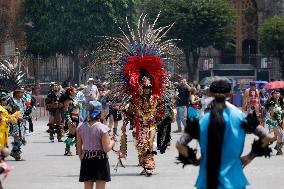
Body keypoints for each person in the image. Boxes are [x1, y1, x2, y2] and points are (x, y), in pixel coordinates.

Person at [176, 79, 274, 189]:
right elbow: (267, 137)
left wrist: (194, 160)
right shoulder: (241, 117)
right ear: (230, 95)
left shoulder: (201, 120)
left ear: (209, 94)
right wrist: (249, 157)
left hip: (207, 180)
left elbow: (180, 144)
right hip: (234, 180)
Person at [77, 101, 116, 189]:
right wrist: (113, 142)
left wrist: (82, 158)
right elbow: (106, 148)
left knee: (87, 186)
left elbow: (79, 148)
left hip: (86, 158)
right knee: (100, 186)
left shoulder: (80, 127)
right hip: (100, 159)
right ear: (100, 112)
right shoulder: (102, 128)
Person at [6, 87, 26, 160]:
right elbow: (6, 109)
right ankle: (16, 154)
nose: (22, 94)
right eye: (21, 92)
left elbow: (24, 109)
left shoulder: (22, 100)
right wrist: (14, 116)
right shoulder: (11, 100)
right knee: (17, 136)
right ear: (16, 93)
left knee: (21, 137)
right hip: (13, 121)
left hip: (21, 122)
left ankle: (14, 152)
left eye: (22, 92)